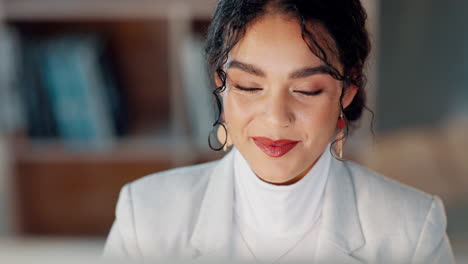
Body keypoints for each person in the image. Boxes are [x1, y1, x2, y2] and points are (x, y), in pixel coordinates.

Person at [103, 0, 456, 263]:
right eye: (248, 86)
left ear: (346, 90)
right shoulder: (146, 217)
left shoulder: (411, 229)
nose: (275, 119)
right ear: (220, 86)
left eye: (306, 90)